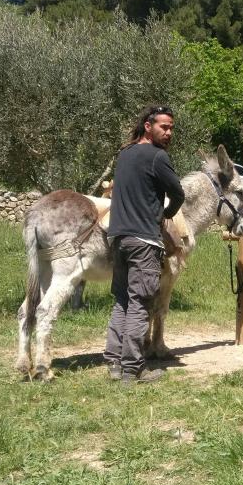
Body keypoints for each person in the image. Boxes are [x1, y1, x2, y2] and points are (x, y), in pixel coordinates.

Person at [103, 105, 185, 384]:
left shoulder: (124, 154)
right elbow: (178, 193)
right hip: (144, 240)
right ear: (148, 126)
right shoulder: (157, 157)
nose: (169, 132)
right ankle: (132, 369)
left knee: (122, 301)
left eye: (172, 127)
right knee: (140, 303)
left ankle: (114, 363)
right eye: (164, 126)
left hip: (118, 239)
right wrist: (167, 214)